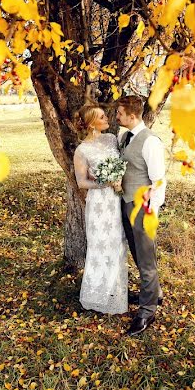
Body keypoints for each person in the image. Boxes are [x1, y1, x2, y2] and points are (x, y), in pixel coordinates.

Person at [115, 95, 166, 337]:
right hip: (126, 203)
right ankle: (153, 293)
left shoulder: (150, 142)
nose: (117, 117)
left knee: (146, 260)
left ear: (132, 115)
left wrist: (151, 211)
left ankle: (147, 310)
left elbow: (158, 181)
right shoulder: (123, 136)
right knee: (137, 253)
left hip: (143, 208)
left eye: (120, 113)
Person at [72, 104, 128, 315]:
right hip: (99, 204)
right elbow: (81, 182)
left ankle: (116, 294)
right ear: (92, 123)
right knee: (99, 247)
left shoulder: (112, 139)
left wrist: (119, 179)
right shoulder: (82, 150)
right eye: (102, 117)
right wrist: (105, 182)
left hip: (116, 201)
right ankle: (97, 297)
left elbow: (123, 164)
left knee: (117, 246)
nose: (107, 119)